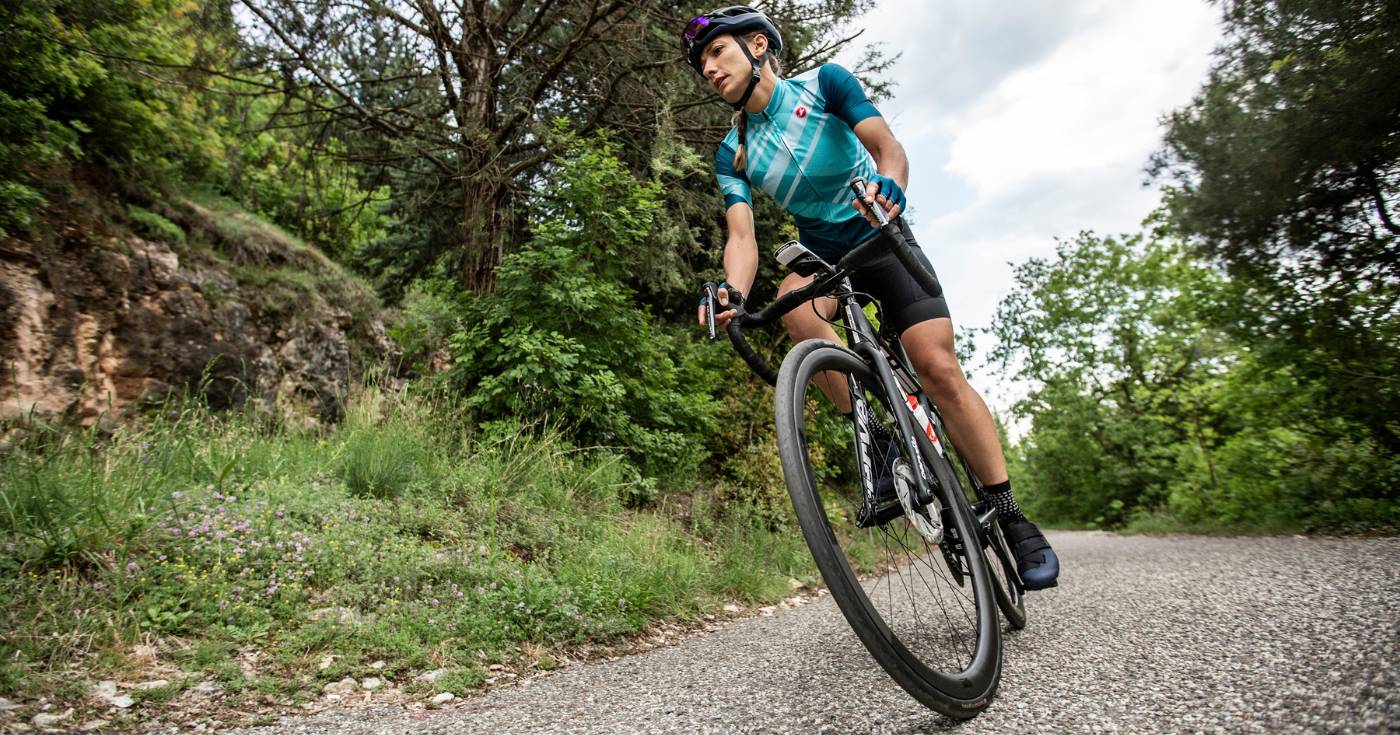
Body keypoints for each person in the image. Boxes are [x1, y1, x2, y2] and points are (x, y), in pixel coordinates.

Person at [684, 6, 1059, 589]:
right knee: (793, 303)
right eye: (700, 63)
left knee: (937, 367)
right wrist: (731, 291)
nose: (707, 69)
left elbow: (890, 150)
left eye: (716, 52)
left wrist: (891, 188)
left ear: (757, 45)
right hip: (824, 255)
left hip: (880, 234)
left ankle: (1010, 514)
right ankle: (878, 440)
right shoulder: (733, 153)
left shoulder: (826, 84)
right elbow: (742, 236)